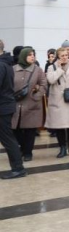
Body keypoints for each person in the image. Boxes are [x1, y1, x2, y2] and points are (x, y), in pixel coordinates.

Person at [45, 47, 69, 158]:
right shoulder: (51, 67)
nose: (65, 57)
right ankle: (62, 147)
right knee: (59, 126)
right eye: (62, 56)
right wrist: (60, 69)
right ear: (58, 56)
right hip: (58, 101)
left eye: (66, 55)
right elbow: (51, 80)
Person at [12, 47, 47, 161]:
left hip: (32, 104)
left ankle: (28, 153)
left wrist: (36, 96)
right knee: (15, 129)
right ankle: (23, 147)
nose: (33, 56)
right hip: (16, 104)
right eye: (29, 54)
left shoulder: (38, 70)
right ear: (23, 56)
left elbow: (44, 85)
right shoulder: (13, 69)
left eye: (33, 54)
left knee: (30, 131)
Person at [0, 45, 26, 179]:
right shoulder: (6, 63)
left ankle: (18, 168)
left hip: (3, 108)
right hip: (6, 105)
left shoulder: (1, 65)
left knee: (8, 139)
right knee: (7, 138)